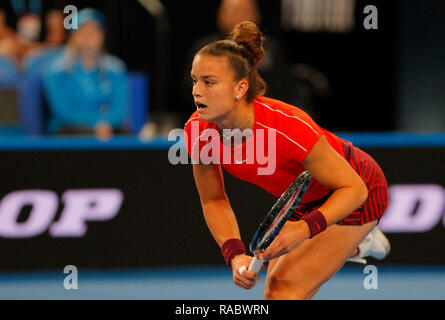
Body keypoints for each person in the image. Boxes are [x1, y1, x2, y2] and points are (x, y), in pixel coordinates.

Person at [183, 22, 390, 300]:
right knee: (278, 291)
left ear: (240, 87)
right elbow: (213, 200)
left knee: (282, 290)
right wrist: (235, 255)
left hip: (357, 188)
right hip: (305, 198)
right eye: (195, 80)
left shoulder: (286, 126)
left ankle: (353, 236)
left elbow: (355, 189)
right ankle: (354, 245)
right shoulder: (197, 131)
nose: (197, 91)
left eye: (209, 82)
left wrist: (306, 228)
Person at [43, 8, 128, 138]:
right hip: (69, 129)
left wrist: (105, 124)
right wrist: (95, 124)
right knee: (79, 134)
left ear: (102, 35)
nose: (88, 37)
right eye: (82, 32)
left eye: (93, 32)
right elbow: (62, 110)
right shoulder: (58, 70)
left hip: (108, 128)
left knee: (125, 133)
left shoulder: (115, 69)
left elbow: (119, 110)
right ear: (73, 36)